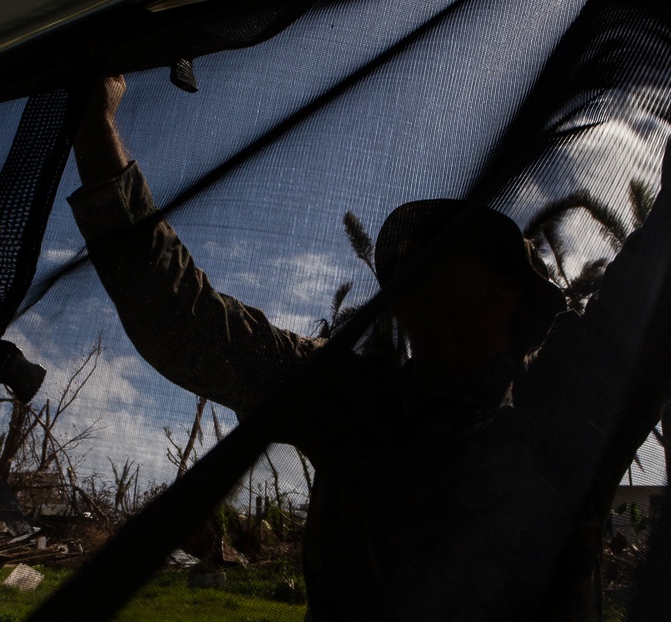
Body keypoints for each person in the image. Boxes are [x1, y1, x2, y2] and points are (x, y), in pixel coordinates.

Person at [69, 76, 671, 620]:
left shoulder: (563, 413)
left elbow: (649, 292)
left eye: (441, 248)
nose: (407, 261)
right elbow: (189, 326)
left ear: (502, 293)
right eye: (406, 256)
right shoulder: (349, 401)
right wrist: (96, 135)